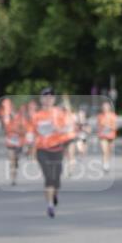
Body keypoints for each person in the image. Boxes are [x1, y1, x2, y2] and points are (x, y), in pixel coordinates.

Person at [27, 88, 70, 218]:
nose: (48, 99)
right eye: (45, 97)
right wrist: (29, 143)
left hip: (57, 148)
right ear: (41, 99)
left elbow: (68, 128)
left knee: (56, 179)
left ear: (54, 99)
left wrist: (60, 130)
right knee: (49, 177)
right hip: (42, 150)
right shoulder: (36, 116)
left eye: (51, 97)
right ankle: (50, 205)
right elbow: (30, 132)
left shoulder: (59, 113)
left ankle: (54, 194)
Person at [0, 97, 26, 186]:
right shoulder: (7, 119)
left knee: (16, 161)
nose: (11, 113)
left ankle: (15, 171)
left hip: (19, 144)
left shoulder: (21, 119)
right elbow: (4, 128)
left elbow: (24, 131)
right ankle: (13, 179)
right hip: (10, 144)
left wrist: (16, 131)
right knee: (12, 161)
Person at [96, 101, 117, 173]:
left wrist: (109, 127)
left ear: (109, 108)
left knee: (109, 151)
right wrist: (100, 130)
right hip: (103, 136)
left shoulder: (113, 115)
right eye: (104, 107)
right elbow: (98, 126)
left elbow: (115, 126)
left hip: (111, 135)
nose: (105, 108)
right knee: (104, 151)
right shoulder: (100, 116)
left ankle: (107, 162)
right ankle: (105, 164)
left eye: (106, 107)